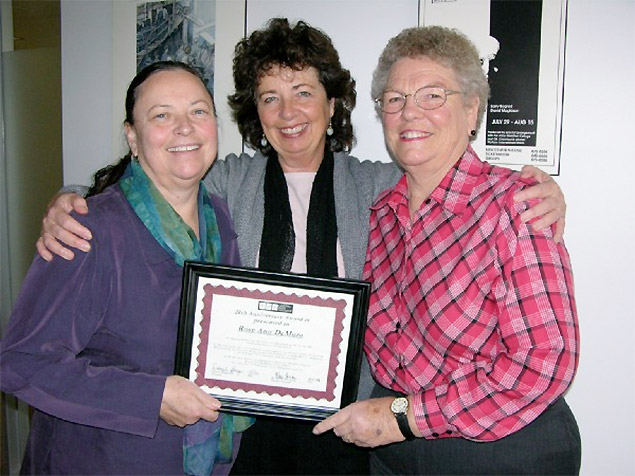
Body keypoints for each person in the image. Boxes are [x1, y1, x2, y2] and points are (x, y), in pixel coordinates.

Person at [33, 19, 568, 476]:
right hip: (243, 421)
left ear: (333, 103)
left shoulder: (382, 185)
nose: (288, 111)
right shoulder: (226, 181)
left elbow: (446, 174)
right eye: (270, 97)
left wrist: (543, 191)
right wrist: (72, 198)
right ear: (255, 113)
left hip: (349, 424)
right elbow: (155, 182)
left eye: (304, 92)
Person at [313, 26, 580, 476]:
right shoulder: (383, 211)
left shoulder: (515, 206)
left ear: (472, 109)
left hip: (499, 452)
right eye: (395, 99)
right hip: (396, 453)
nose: (409, 112)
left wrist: (407, 417)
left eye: (432, 95)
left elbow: (545, 361)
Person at [0, 61, 252, 475]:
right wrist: (150, 397)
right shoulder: (88, 228)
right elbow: (22, 361)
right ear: (132, 137)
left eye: (198, 111)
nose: (185, 127)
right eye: (161, 115)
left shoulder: (218, 218)